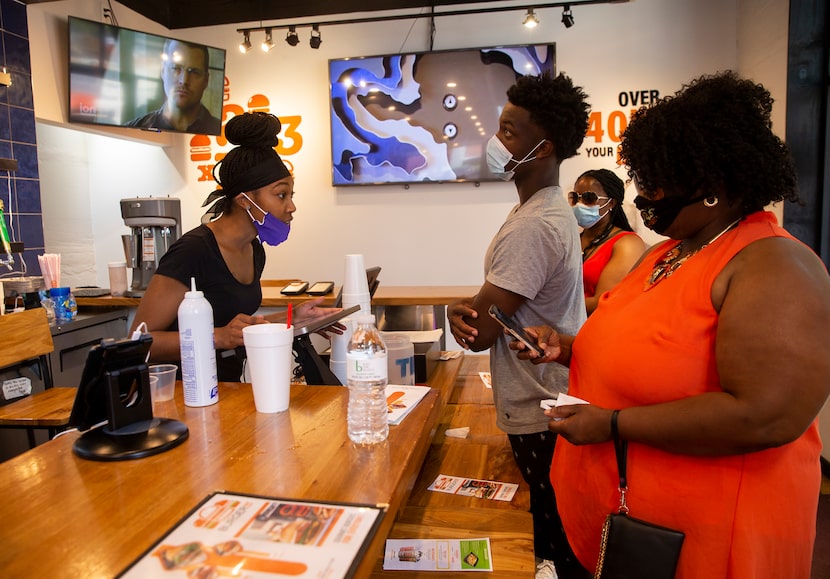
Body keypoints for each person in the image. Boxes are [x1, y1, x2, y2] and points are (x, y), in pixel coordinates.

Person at [511, 71, 830, 578]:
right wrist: (568, 348)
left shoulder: (773, 265)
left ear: (709, 181)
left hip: (704, 539)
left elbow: (766, 416)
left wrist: (612, 424)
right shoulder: (668, 253)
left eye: (658, 178)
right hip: (619, 524)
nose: (645, 192)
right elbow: (649, 348)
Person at [447, 71, 590, 579]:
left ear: (543, 146)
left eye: (509, 131)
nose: (493, 140)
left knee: (552, 537)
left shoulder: (534, 224)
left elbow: (481, 330)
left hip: (539, 405)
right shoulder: (543, 208)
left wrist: (459, 314)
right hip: (548, 397)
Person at [130, 112, 338, 382]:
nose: (291, 206)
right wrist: (216, 337)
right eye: (281, 194)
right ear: (244, 200)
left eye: (291, 195)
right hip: (182, 391)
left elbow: (238, 327)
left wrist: (292, 319)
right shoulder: (193, 252)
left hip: (227, 389)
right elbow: (139, 341)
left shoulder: (254, 250)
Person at [569, 169, 645, 314]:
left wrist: (553, 307)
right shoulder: (572, 239)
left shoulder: (627, 244)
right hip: (560, 328)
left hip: (594, 329)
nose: (579, 204)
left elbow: (603, 300)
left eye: (589, 198)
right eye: (575, 197)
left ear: (611, 203)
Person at [125, 39, 221, 135]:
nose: (184, 81)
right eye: (175, 68)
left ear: (206, 80)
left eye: (194, 72)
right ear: (162, 71)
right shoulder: (130, 130)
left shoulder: (222, 132)